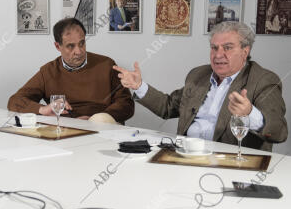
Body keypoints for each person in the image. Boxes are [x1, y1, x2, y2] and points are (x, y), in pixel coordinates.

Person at [113, 22, 287, 151]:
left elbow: (279, 132)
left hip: (230, 162)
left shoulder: (263, 80)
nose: (218, 55)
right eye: (214, 48)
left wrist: (250, 114)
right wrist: (138, 86)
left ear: (245, 51)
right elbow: (167, 107)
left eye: (227, 48)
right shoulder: (198, 75)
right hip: (185, 155)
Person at [8, 18, 134, 123]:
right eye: (70, 46)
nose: (78, 51)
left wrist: (96, 119)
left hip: (102, 127)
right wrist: (42, 109)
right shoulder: (48, 71)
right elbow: (15, 101)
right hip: (64, 130)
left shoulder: (106, 65)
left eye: (82, 43)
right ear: (58, 46)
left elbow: (126, 103)